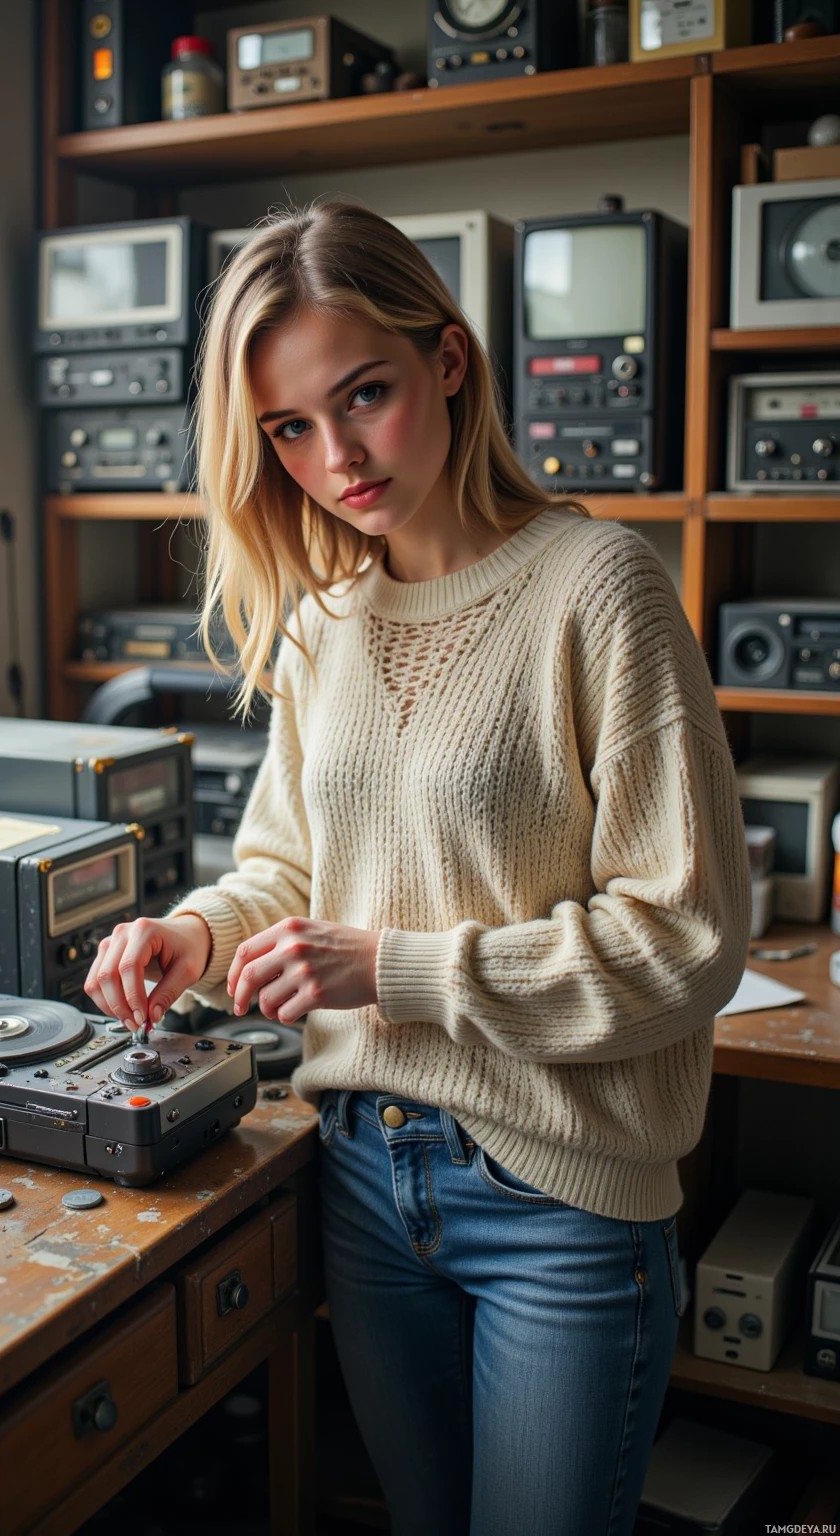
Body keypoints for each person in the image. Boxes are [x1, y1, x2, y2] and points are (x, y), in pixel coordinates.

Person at [84, 199, 750, 1536]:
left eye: (365, 395)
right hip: (363, 1177)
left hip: (560, 1195)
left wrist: (393, 970)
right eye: (289, 429)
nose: (336, 458)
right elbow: (287, 865)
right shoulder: (326, 624)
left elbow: (686, 940)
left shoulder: (598, 587)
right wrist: (203, 937)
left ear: (449, 360)